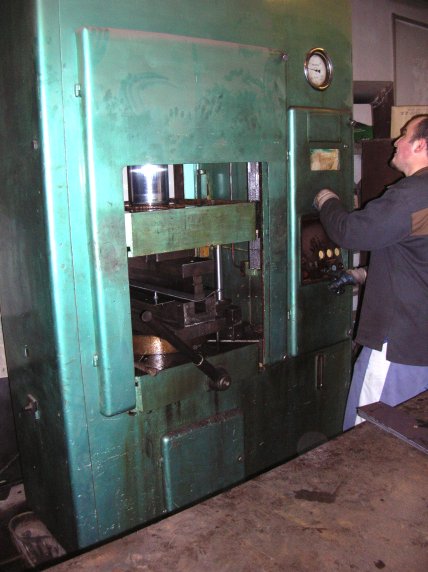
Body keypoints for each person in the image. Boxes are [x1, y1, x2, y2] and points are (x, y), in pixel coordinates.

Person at [313, 114, 428, 431]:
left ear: (421, 145)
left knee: (369, 433)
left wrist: (326, 201)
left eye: (404, 135)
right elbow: (416, 250)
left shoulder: (413, 194)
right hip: (421, 343)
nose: (396, 142)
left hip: (399, 346)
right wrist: (364, 274)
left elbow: (350, 233)